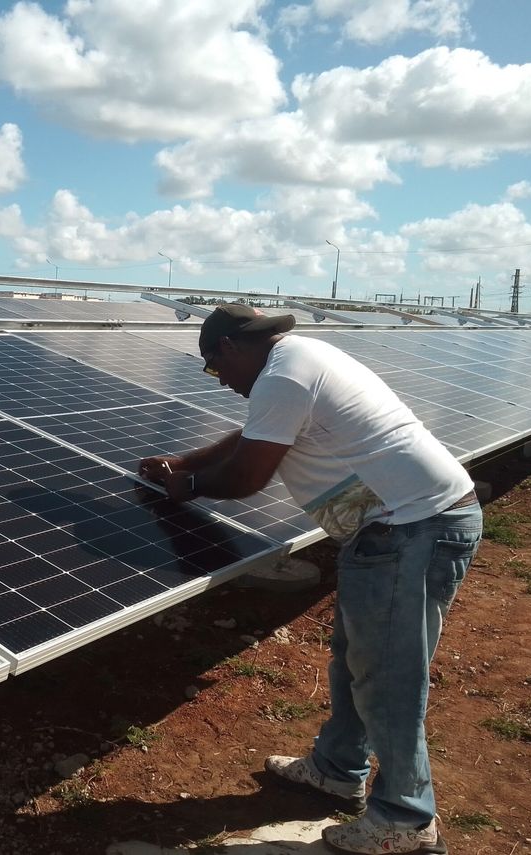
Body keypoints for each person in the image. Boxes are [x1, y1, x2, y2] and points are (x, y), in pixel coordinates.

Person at [139, 304, 482, 855]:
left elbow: (248, 474)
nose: (220, 382)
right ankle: (338, 769)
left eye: (213, 369)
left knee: (388, 679)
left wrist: (192, 485)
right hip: (398, 527)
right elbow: (249, 438)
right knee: (357, 662)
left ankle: (406, 822)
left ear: (230, 348)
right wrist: (184, 461)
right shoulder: (295, 362)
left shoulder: (282, 375)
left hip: (411, 528)